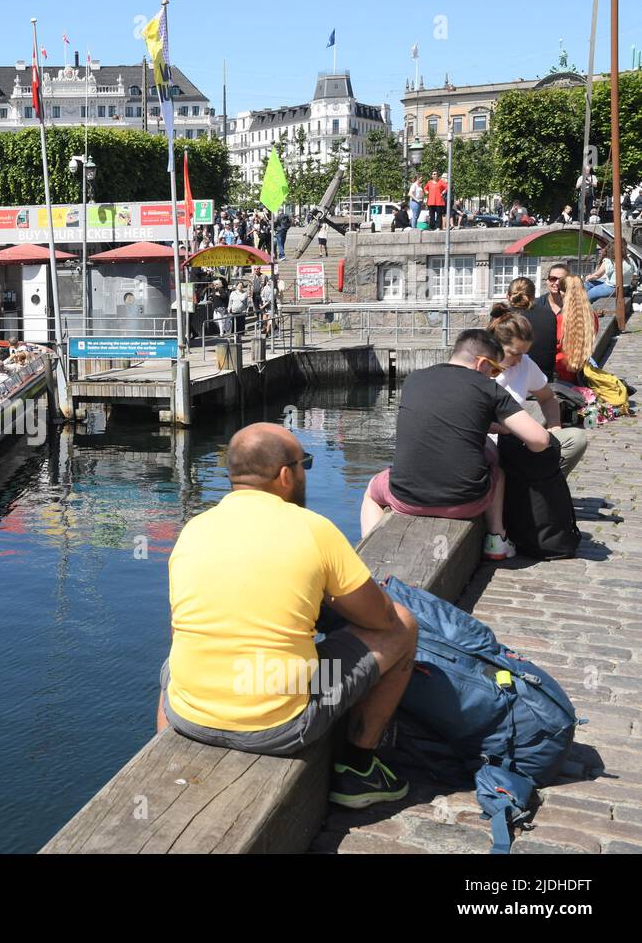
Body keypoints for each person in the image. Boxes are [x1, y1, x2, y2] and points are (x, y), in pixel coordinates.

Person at [160, 422, 419, 807]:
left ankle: (164, 761)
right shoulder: (313, 529)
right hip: (277, 728)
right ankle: (358, 769)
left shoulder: (193, 530)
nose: (304, 474)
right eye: (305, 464)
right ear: (285, 475)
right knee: (403, 626)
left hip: (188, 717)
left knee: (175, 659)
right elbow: (382, 619)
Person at [359, 329, 551, 561]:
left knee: (371, 491)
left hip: (405, 498)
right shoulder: (488, 388)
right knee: (497, 469)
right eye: (495, 369)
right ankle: (496, 539)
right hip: (467, 503)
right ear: (481, 363)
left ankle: (374, 556)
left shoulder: (414, 379)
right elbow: (540, 440)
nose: (494, 375)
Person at [490, 305, 589, 477]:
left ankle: (545, 489)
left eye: (524, 353)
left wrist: (554, 426)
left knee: (576, 439)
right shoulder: (476, 368)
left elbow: (547, 398)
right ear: (494, 345)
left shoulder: (525, 364)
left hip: (518, 444)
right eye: (514, 353)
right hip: (487, 447)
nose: (519, 359)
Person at [555, 275, 599, 383]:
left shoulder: (559, 319)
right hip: (581, 373)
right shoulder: (593, 318)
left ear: (562, 292)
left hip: (559, 374)